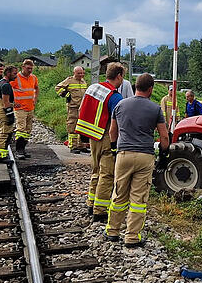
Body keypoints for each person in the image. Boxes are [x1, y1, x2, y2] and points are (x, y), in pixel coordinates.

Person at [105, 73, 170, 247]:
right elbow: (164, 136)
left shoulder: (120, 105)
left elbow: (113, 131)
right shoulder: (155, 109)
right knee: (138, 199)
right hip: (145, 156)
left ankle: (112, 231)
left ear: (136, 87)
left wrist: (114, 149)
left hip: (124, 154)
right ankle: (132, 237)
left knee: (119, 193)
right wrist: (164, 154)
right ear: (151, 89)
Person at [76, 63, 124, 222]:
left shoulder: (93, 88)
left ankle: (91, 203)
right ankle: (100, 211)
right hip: (106, 137)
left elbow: (82, 109)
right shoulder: (115, 96)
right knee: (107, 174)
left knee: (95, 170)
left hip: (92, 135)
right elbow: (118, 121)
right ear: (119, 76)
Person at [55, 66, 89, 153]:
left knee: (82, 126)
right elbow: (57, 88)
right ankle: (73, 146)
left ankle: (81, 145)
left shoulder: (83, 81)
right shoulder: (69, 80)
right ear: (74, 73)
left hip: (82, 108)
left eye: (82, 73)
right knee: (72, 126)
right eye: (79, 73)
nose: (81, 75)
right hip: (73, 107)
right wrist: (66, 94)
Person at [0, 65, 18, 164]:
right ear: (8, 73)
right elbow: (6, 102)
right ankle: (0, 156)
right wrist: (10, 115)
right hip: (3, 112)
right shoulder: (6, 85)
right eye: (14, 73)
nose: (16, 76)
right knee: (5, 133)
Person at [12, 59, 39, 160]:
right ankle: (19, 150)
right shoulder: (16, 78)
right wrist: (12, 102)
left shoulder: (33, 77)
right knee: (21, 129)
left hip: (30, 107)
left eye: (31, 68)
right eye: (28, 68)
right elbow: (7, 89)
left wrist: (35, 99)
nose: (30, 70)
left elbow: (36, 88)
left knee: (28, 129)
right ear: (23, 67)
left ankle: (23, 149)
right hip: (20, 108)